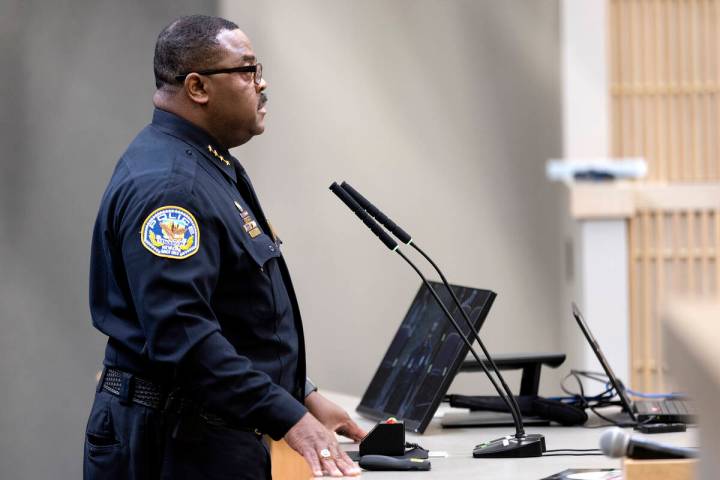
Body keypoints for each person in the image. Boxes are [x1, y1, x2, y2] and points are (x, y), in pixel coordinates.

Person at [83, 14, 365, 479]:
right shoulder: (173, 186)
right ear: (197, 87)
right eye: (247, 70)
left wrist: (302, 395)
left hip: (201, 433)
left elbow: (235, 316)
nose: (263, 83)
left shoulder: (206, 162)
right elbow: (182, 337)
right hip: (174, 445)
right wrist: (288, 418)